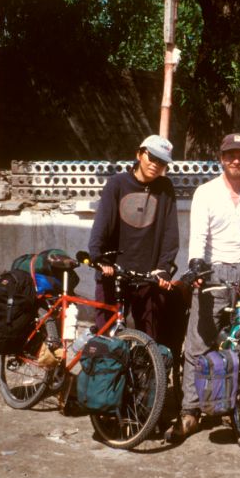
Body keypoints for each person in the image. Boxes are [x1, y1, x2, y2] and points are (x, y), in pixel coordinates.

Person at [166, 133, 240, 442]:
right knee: (199, 343)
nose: (236, 160)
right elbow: (198, 235)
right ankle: (189, 411)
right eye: (230, 155)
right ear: (221, 158)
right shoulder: (206, 192)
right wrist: (196, 265)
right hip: (213, 272)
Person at [87, 135, 180, 340]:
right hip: (114, 272)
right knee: (106, 339)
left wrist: (164, 268)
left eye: (162, 162)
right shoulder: (117, 183)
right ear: (139, 154)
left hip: (148, 276)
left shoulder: (165, 188)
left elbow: (170, 233)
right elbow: (102, 223)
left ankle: (144, 372)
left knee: (148, 341)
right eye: (152, 158)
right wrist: (99, 257)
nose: (156, 165)